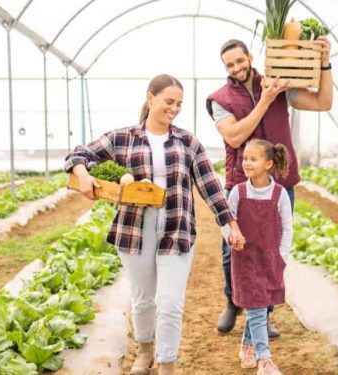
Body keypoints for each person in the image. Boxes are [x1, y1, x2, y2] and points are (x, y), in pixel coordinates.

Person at [65, 74, 245, 375]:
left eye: (179, 104)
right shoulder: (123, 137)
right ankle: (145, 352)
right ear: (150, 98)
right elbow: (78, 153)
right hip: (135, 228)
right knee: (143, 299)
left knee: (171, 302)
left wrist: (230, 224)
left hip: (177, 226)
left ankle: (166, 364)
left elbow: (209, 186)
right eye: (168, 101)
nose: (174, 109)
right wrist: (84, 176)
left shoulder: (188, 142)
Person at [206, 37, 333, 337]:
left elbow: (323, 101)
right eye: (229, 64)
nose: (236, 67)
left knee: (270, 249)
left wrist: (325, 63)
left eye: (240, 60)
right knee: (232, 248)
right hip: (241, 184)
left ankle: (263, 312)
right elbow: (235, 137)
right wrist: (265, 99)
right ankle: (232, 302)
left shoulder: (280, 84)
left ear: (250, 56)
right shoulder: (219, 99)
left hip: (280, 183)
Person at [222, 139, 293, 375]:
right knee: (257, 307)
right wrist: (231, 237)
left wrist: (281, 257)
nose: (247, 163)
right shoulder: (238, 192)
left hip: (270, 259)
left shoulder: (279, 193)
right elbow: (226, 222)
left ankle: (246, 346)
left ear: (269, 164)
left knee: (260, 306)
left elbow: (287, 228)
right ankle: (265, 360)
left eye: (254, 159)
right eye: (245, 159)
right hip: (244, 260)